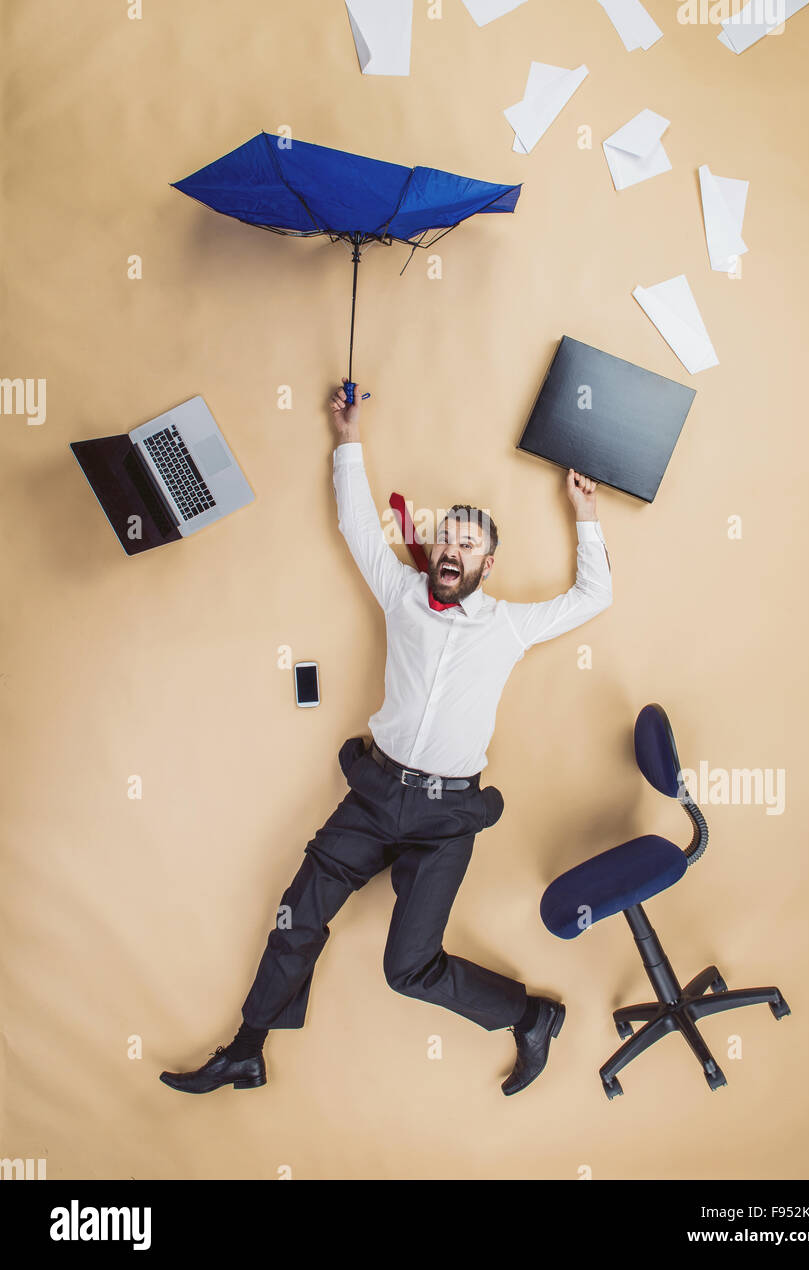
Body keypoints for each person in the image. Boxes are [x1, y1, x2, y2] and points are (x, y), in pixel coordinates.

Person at [160, 378, 613, 1098]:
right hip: (374, 796)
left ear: (487, 564)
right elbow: (358, 527)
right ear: (432, 551)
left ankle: (529, 1017)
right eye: (447, 538)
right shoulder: (402, 592)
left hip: (445, 818)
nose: (453, 549)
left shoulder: (510, 625)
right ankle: (245, 1050)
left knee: (408, 969)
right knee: (295, 915)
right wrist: (348, 437)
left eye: (470, 543)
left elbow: (595, 597)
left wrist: (583, 511)